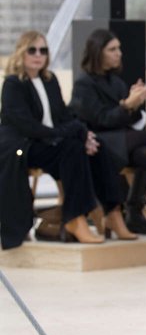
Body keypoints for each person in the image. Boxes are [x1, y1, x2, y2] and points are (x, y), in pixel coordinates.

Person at [0, 30, 135, 249]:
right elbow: (28, 127)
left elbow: (63, 115)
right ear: (21, 53)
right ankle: (75, 218)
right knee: (72, 148)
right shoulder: (13, 84)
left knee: (97, 146)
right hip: (24, 145)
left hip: (50, 141)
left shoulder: (49, 80)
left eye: (43, 50)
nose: (38, 55)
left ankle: (113, 212)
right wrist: (70, 134)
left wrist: (85, 135)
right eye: (32, 50)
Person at [71, 29, 146, 233]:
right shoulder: (84, 84)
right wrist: (127, 105)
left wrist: (135, 102)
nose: (119, 53)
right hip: (96, 142)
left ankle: (134, 212)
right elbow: (101, 120)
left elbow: (128, 121)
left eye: (119, 48)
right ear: (98, 52)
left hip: (119, 139)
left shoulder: (116, 82)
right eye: (112, 49)